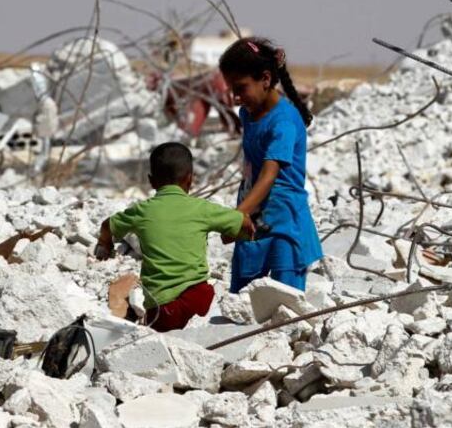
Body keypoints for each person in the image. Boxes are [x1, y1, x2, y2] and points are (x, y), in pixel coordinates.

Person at [94, 142, 253, 332]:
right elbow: (243, 223)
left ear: (151, 181)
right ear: (190, 179)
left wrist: (105, 246)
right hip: (198, 302)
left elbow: (107, 226)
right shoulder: (202, 208)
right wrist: (240, 233)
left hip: (161, 309)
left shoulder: (142, 211)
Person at [218, 36, 323, 293]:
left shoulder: (283, 122)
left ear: (265, 79)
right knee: (242, 301)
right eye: (232, 89)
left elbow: (269, 174)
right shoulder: (248, 114)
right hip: (254, 222)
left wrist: (235, 216)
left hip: (285, 225)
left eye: (241, 88)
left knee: (283, 308)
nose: (235, 97)